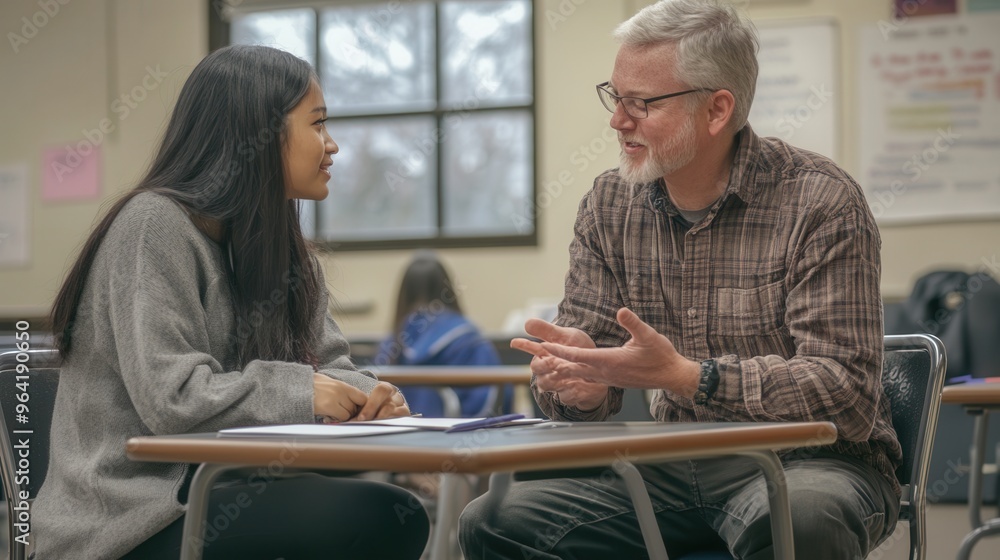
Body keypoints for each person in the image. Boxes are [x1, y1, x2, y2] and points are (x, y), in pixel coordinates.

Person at [459, 1, 902, 559]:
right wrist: (581, 385)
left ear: (716, 110)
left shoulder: (820, 201)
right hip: (673, 463)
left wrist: (692, 377)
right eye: (615, 96)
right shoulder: (609, 204)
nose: (618, 121)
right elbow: (585, 385)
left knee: (802, 518)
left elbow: (846, 394)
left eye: (641, 103)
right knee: (496, 521)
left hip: (813, 461)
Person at [34, 45, 429, 559]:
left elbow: (331, 369)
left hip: (229, 489)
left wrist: (372, 397)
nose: (332, 145)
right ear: (256, 133)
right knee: (378, 518)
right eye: (317, 124)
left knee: (395, 513)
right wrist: (307, 391)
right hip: (130, 520)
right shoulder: (153, 225)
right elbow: (172, 398)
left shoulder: (288, 256)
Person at [374, 251, 510, 418]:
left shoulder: (391, 345)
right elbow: (496, 400)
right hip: (460, 431)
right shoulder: (470, 339)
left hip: (394, 433)